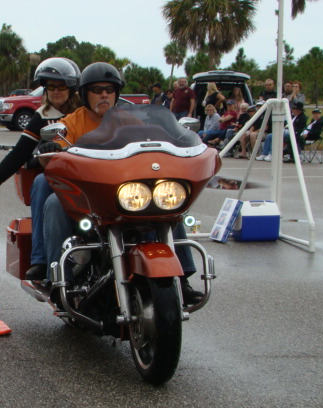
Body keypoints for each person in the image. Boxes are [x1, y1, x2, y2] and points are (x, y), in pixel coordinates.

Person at [40, 62, 204, 305]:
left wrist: (180, 140)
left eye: (109, 89)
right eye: (97, 90)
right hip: (94, 195)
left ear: (116, 93)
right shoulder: (71, 123)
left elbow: (157, 141)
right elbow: (57, 151)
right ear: (86, 94)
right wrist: (52, 147)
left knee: (170, 206)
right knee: (54, 203)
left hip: (128, 191)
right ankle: (58, 279)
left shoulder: (132, 120)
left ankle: (183, 280)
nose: (104, 94)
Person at [0, 58, 81, 281]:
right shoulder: (42, 118)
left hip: (87, 177)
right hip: (58, 180)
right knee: (41, 182)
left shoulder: (85, 114)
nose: (55, 91)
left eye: (61, 86)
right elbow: (18, 154)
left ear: (73, 89)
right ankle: (41, 260)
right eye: (50, 86)